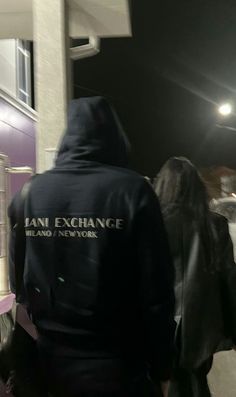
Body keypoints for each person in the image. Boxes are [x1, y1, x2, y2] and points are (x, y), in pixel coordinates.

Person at [9, 97, 175, 397]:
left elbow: (18, 283)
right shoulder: (132, 191)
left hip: (49, 364)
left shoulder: (31, 193)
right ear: (114, 136)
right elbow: (157, 292)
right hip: (118, 367)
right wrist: (163, 366)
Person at [154, 156, 236, 397]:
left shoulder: (152, 223)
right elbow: (229, 279)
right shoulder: (215, 224)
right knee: (196, 382)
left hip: (160, 320)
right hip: (202, 323)